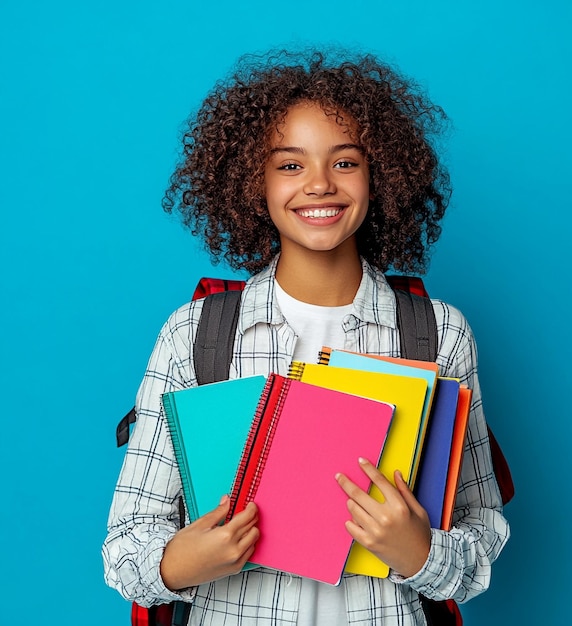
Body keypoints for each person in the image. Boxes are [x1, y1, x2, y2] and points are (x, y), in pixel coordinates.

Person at [103, 49, 510, 625]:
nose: (319, 185)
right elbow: (124, 550)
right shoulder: (194, 334)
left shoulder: (437, 334)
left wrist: (421, 553)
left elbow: (481, 531)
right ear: (254, 183)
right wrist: (179, 564)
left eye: (345, 162)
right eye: (289, 165)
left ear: (379, 176)